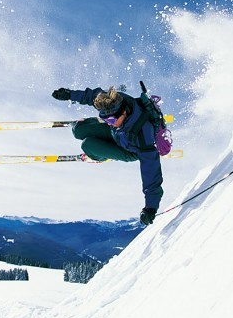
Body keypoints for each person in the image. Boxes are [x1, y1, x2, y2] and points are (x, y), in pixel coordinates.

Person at [52, 86, 162, 225]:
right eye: (105, 119)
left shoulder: (143, 137)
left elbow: (151, 173)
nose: (109, 122)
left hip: (129, 148)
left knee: (88, 145)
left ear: (123, 113)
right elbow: (92, 95)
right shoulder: (116, 100)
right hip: (119, 133)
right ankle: (86, 125)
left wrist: (151, 208)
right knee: (78, 130)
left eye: (110, 120)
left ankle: (101, 156)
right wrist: (69, 94)